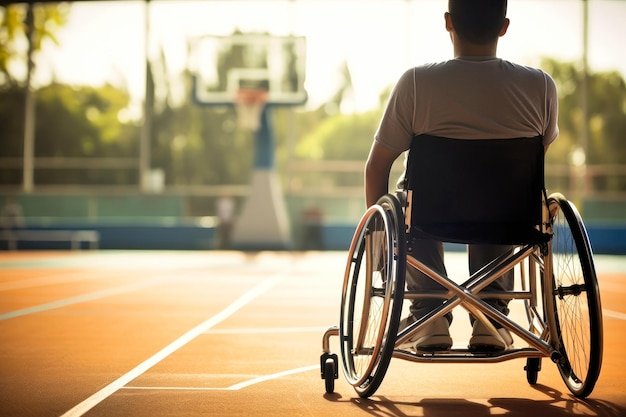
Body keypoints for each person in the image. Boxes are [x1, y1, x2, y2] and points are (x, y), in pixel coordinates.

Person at [365, 0, 559, 352]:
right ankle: (492, 316)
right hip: (506, 216)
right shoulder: (541, 86)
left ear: (447, 22)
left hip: (432, 216)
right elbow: (530, 166)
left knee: (402, 199)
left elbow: (375, 167)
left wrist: (379, 247)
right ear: (504, 26)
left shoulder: (416, 83)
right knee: (504, 195)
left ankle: (429, 313)